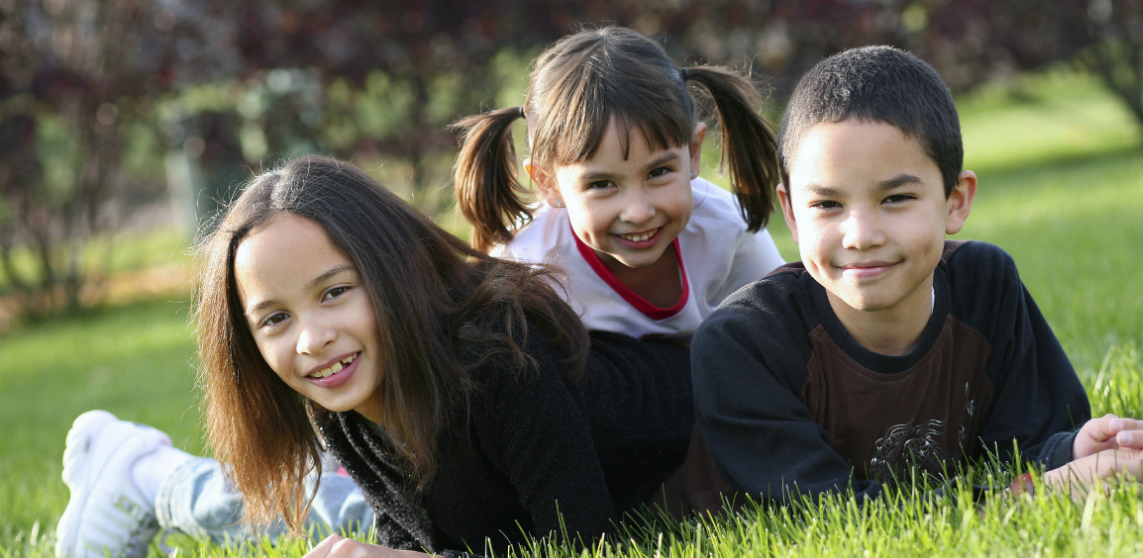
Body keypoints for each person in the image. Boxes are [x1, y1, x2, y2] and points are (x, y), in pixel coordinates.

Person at [58, 156, 696, 558]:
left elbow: (586, 544)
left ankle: (142, 478)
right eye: (275, 319)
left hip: (707, 441)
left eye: (335, 292)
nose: (311, 338)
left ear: (397, 272)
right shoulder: (341, 406)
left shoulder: (500, 358)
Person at [663, 46, 1143, 515]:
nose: (861, 235)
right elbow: (834, 516)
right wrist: (1041, 494)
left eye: (895, 198)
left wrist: (1071, 452)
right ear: (793, 214)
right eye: (827, 204)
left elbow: (1015, 447)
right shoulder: (743, 344)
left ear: (955, 201)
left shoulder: (985, 284)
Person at [453, 26, 786, 339]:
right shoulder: (528, 267)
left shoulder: (728, 230)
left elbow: (784, 338)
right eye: (601, 184)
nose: (639, 212)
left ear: (693, 153)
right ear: (548, 183)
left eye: (658, 173)